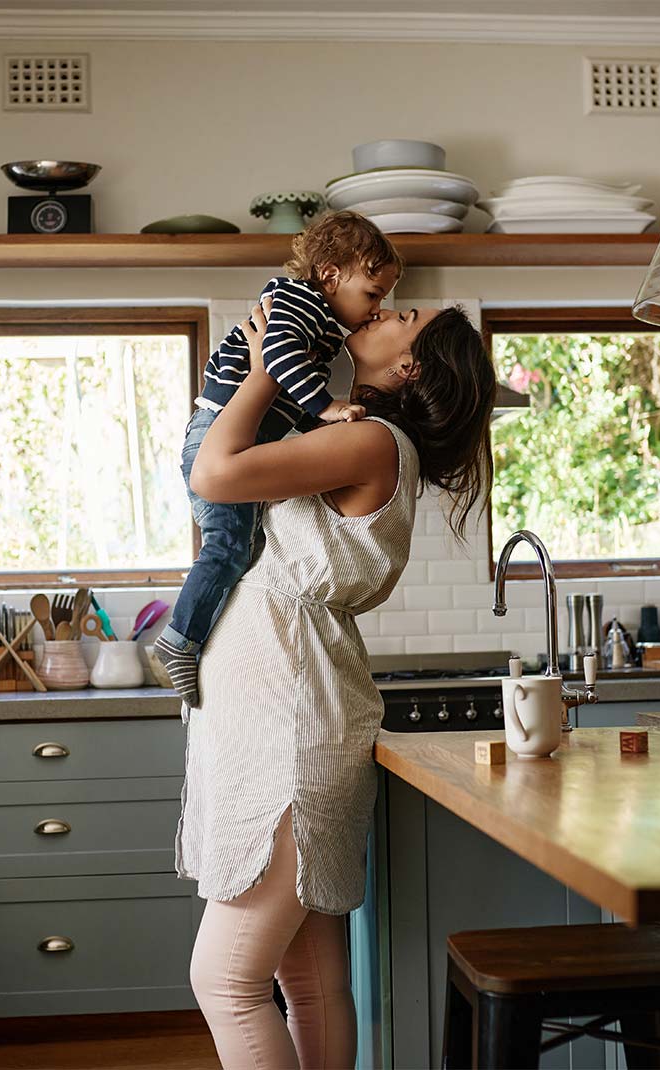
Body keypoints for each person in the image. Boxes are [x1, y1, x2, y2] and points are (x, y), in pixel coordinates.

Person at [176, 295, 496, 1069]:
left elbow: (213, 473)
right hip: (292, 706)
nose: (389, 307)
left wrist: (258, 376)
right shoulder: (358, 432)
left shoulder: (372, 442)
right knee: (310, 981)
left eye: (406, 315)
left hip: (288, 721)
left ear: (409, 363)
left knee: (224, 981)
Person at [155, 211, 404, 707]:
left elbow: (284, 396)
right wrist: (327, 407)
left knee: (239, 547)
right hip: (214, 432)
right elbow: (278, 358)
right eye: (373, 295)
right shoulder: (300, 300)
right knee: (227, 547)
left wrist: (320, 421)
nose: (377, 309)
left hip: (235, 433)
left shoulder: (323, 319)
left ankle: (190, 637)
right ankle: (179, 641)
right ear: (330, 276)